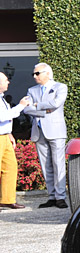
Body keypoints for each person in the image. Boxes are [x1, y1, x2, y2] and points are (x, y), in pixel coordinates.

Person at [22, 63, 68, 208]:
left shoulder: (60, 87)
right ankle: (52, 196)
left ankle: (61, 197)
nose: (35, 76)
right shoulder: (32, 90)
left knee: (58, 164)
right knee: (45, 165)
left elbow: (56, 103)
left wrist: (36, 105)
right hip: (39, 131)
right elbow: (26, 110)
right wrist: (43, 110)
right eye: (34, 74)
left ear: (48, 73)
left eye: (37, 73)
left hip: (56, 131)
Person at [0, 72, 30, 211]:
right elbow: (4, 116)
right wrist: (21, 106)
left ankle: (7, 199)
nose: (9, 82)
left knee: (10, 167)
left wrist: (9, 134)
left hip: (4, 137)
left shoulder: (2, 99)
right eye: (6, 80)